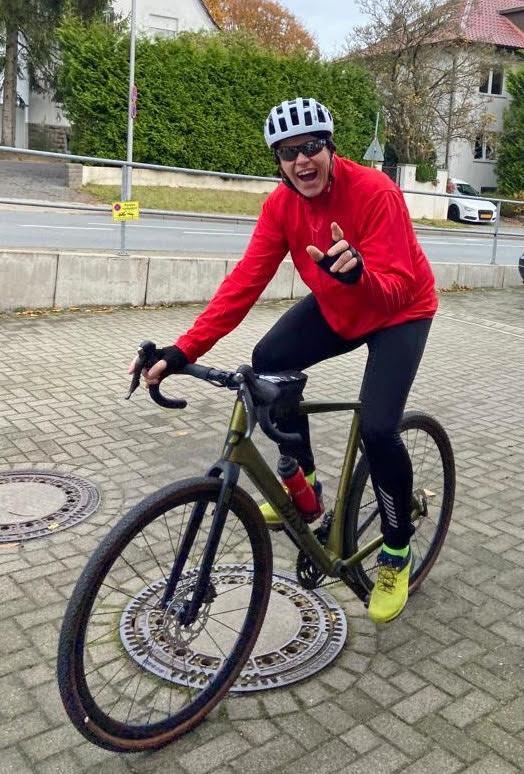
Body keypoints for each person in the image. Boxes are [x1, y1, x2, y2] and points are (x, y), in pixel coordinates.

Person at [134, 97, 438, 624]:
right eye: (287, 152)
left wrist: (359, 275)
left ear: (331, 148)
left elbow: (396, 286)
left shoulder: (376, 192)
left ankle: (396, 549)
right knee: (268, 360)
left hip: (399, 311)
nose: (301, 161)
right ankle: (306, 490)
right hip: (340, 306)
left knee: (379, 428)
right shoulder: (281, 206)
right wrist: (183, 350)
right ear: (277, 161)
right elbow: (243, 284)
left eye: (311, 147)